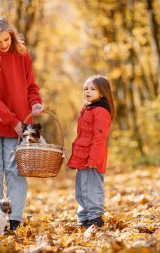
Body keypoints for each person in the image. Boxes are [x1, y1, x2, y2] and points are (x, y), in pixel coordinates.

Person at [0, 16, 43, 231]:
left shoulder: (22, 55)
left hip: (19, 125)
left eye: (6, 40)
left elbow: (31, 85)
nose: (3, 45)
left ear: (11, 36)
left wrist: (36, 102)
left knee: (15, 172)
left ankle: (14, 221)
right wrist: (13, 122)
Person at [67, 75, 116, 228]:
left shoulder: (101, 111)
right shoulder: (88, 109)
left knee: (92, 189)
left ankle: (95, 218)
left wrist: (93, 159)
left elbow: (99, 137)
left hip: (92, 159)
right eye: (86, 88)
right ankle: (83, 218)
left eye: (92, 89)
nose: (88, 91)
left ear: (102, 92)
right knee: (81, 190)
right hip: (82, 158)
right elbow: (82, 136)